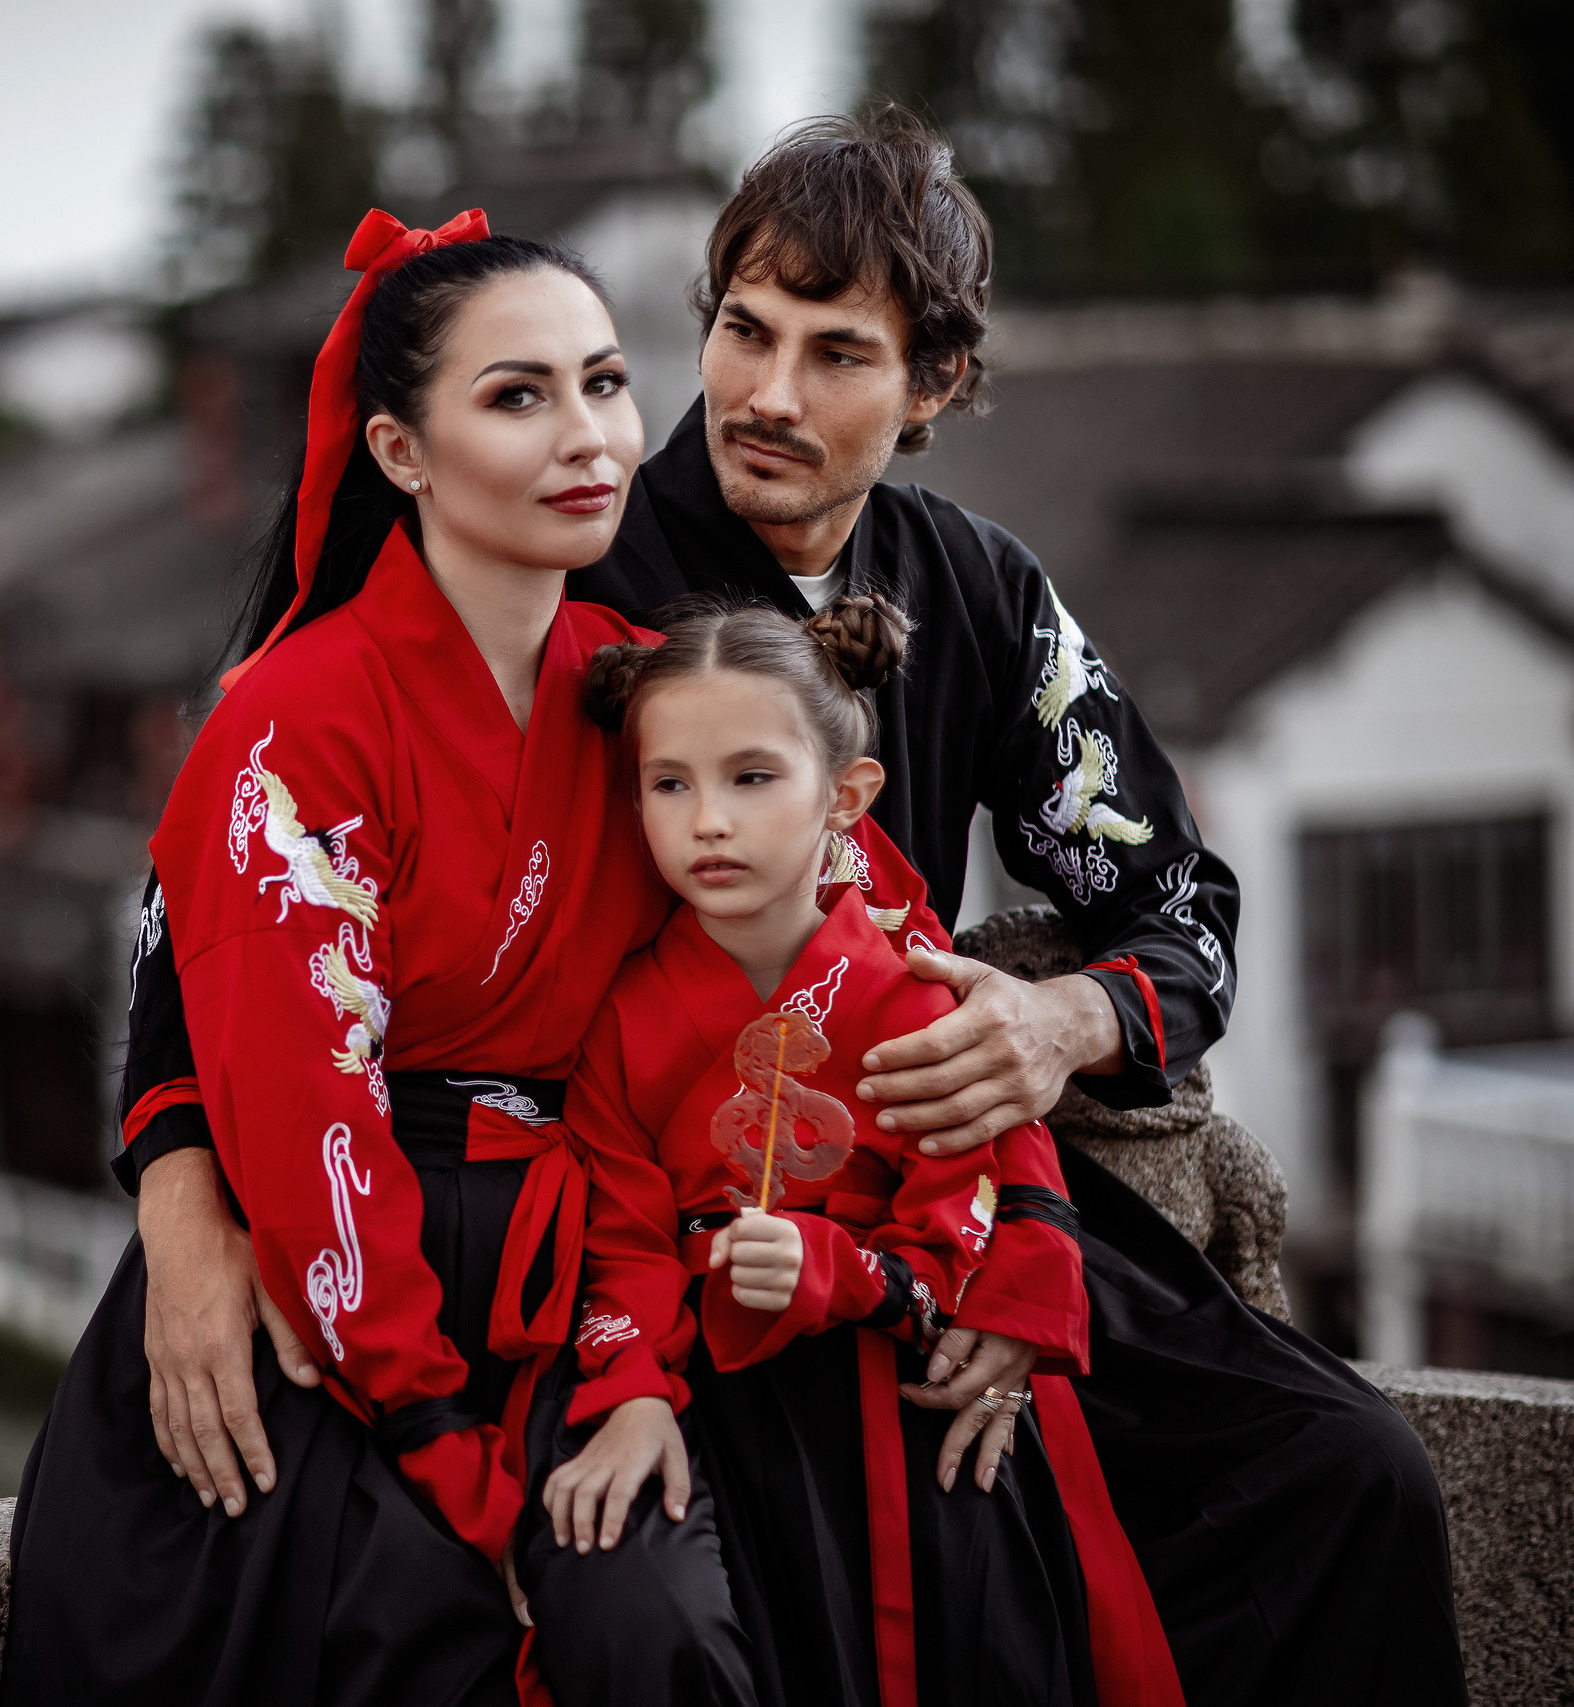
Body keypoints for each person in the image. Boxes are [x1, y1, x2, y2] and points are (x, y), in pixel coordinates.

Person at [115, 113, 1467, 1705]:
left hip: (945, 1158)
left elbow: (1182, 900)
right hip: (668, 1213)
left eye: (839, 355)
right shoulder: (585, 558)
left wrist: (1060, 1020)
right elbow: (219, 895)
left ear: (936, 385)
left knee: (1351, 1472)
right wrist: (184, 1193)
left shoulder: (982, 588)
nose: (765, 395)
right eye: (744, 333)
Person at [5, 211, 749, 1707]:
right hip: (338, 1285)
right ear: (400, 452)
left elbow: (813, 937)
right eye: (517, 395)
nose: (588, 434)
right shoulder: (296, 719)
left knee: (669, 1614)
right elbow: (302, 1112)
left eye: (605, 383)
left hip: (583, 1260)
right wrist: (434, 1432)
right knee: (399, 1623)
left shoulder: (657, 691)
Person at [547, 594, 1182, 1707]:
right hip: (725, 1416)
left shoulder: (910, 992)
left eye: (751, 778)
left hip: (907, 1390)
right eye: (668, 783)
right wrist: (635, 1389)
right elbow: (620, 1238)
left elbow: (959, 1203)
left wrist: (841, 1271)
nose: (707, 822)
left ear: (846, 795)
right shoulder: (620, 1020)